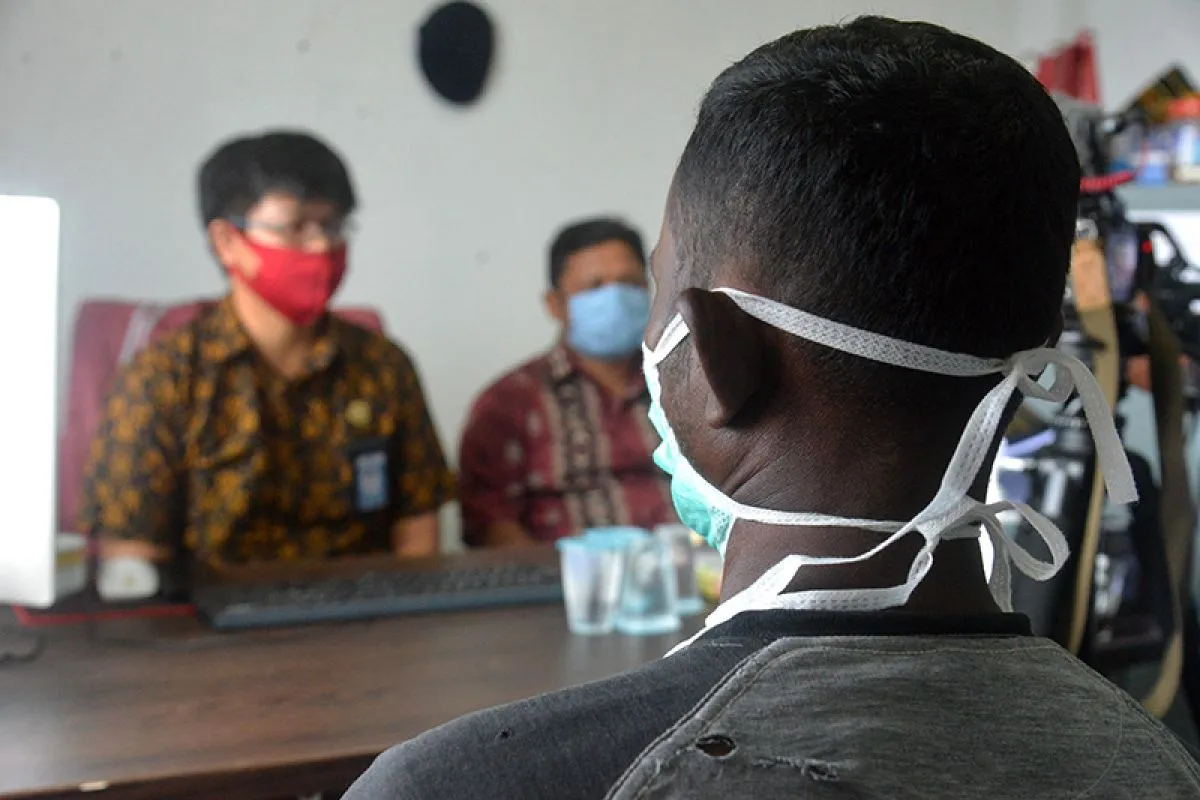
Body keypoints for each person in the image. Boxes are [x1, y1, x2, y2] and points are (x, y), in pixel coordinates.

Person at [345, 18, 1200, 799]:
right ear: (1037, 358)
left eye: (654, 287)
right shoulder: (1151, 766)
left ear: (714, 355)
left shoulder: (459, 785)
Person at [80, 130, 456, 577]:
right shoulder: (164, 379)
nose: (321, 246)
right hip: (212, 615)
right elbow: (132, 563)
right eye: (296, 227)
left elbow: (417, 531)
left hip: (366, 610)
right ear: (227, 241)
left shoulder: (384, 367)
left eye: (333, 226)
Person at [457, 218, 675, 546]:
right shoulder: (508, 405)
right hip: (562, 575)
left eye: (629, 283)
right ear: (555, 304)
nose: (615, 298)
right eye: (594, 287)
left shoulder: (686, 386)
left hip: (701, 572)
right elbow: (491, 526)